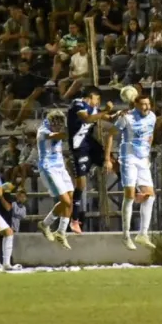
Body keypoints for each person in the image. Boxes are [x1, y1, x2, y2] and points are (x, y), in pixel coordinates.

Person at [105, 94, 157, 250]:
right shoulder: (126, 117)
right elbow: (110, 135)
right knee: (129, 195)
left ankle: (143, 234)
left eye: (148, 104)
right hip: (128, 157)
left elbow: (150, 134)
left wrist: (147, 151)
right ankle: (126, 235)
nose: (146, 107)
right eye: (143, 104)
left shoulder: (152, 117)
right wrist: (107, 159)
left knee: (150, 196)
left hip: (143, 159)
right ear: (136, 104)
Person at [66, 87, 111, 234]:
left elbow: (106, 118)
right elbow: (86, 118)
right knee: (81, 184)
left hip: (89, 143)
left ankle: (135, 192)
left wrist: (116, 113)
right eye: (97, 99)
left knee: (111, 161)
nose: (98, 102)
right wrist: (105, 111)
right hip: (79, 147)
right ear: (91, 96)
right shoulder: (77, 104)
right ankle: (74, 220)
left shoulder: (93, 108)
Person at [35, 110, 75, 250]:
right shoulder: (42, 131)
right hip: (48, 168)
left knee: (70, 198)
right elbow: (55, 135)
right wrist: (74, 130)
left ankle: (61, 232)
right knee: (65, 201)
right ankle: (45, 224)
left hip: (60, 167)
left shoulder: (58, 128)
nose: (58, 127)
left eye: (60, 125)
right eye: (56, 125)